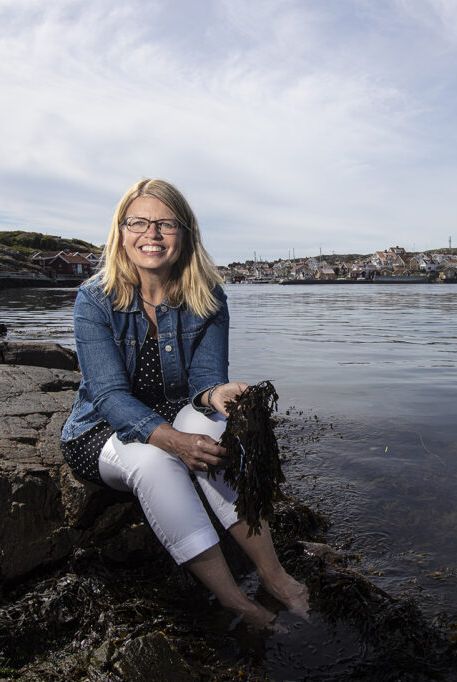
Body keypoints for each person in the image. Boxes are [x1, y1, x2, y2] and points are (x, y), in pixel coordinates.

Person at [60, 178, 309, 630]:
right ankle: (235, 599)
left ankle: (274, 576)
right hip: (102, 429)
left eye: (165, 224)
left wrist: (219, 395)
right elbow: (110, 396)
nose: (151, 235)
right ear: (120, 232)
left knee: (216, 434)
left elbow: (205, 381)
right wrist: (172, 441)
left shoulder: (208, 296)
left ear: (186, 233)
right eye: (138, 222)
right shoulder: (93, 300)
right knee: (157, 462)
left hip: (176, 414)